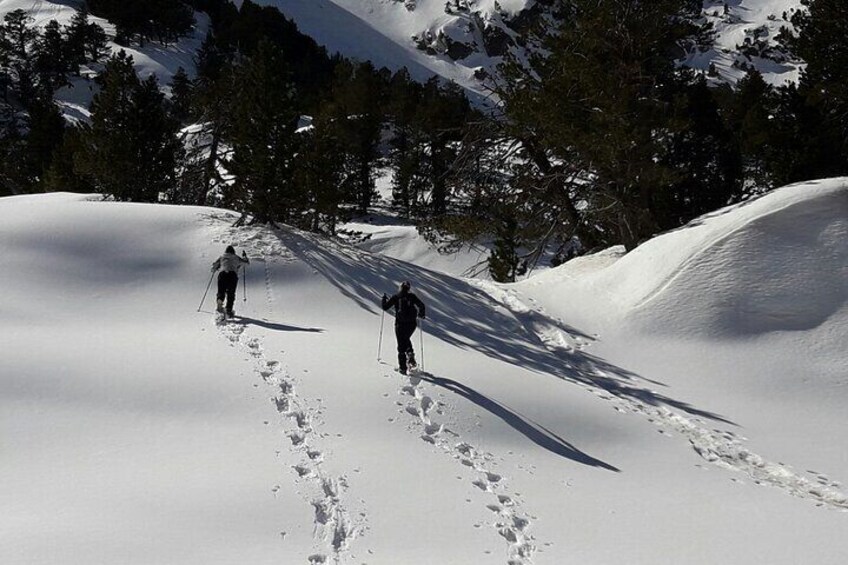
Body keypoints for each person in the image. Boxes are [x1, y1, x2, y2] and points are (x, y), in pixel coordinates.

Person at [382, 281, 426, 374]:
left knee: (401, 344)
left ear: (401, 287)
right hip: (412, 324)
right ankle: (410, 353)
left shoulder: (396, 297)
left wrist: (384, 299)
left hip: (400, 324)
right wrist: (421, 314)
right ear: (408, 288)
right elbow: (422, 305)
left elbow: (385, 307)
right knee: (406, 338)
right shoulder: (412, 296)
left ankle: (403, 368)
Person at [211, 245, 249, 317]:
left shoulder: (222, 257)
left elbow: (213, 268)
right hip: (232, 275)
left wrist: (216, 268)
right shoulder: (236, 257)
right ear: (233, 252)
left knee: (221, 290)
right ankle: (229, 310)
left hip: (222, 274)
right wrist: (245, 257)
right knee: (231, 293)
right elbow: (246, 263)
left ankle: (220, 300)